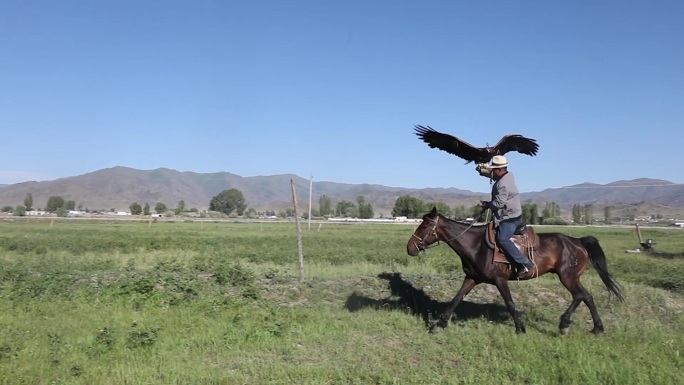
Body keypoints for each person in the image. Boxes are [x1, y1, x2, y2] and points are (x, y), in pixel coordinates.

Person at [479, 155, 534, 276]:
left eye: (493, 169)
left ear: (499, 170)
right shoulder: (508, 176)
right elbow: (495, 178)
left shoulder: (503, 184)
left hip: (509, 218)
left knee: (502, 239)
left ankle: (524, 263)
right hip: (511, 214)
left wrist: (488, 205)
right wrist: (483, 172)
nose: (491, 171)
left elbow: (499, 203)